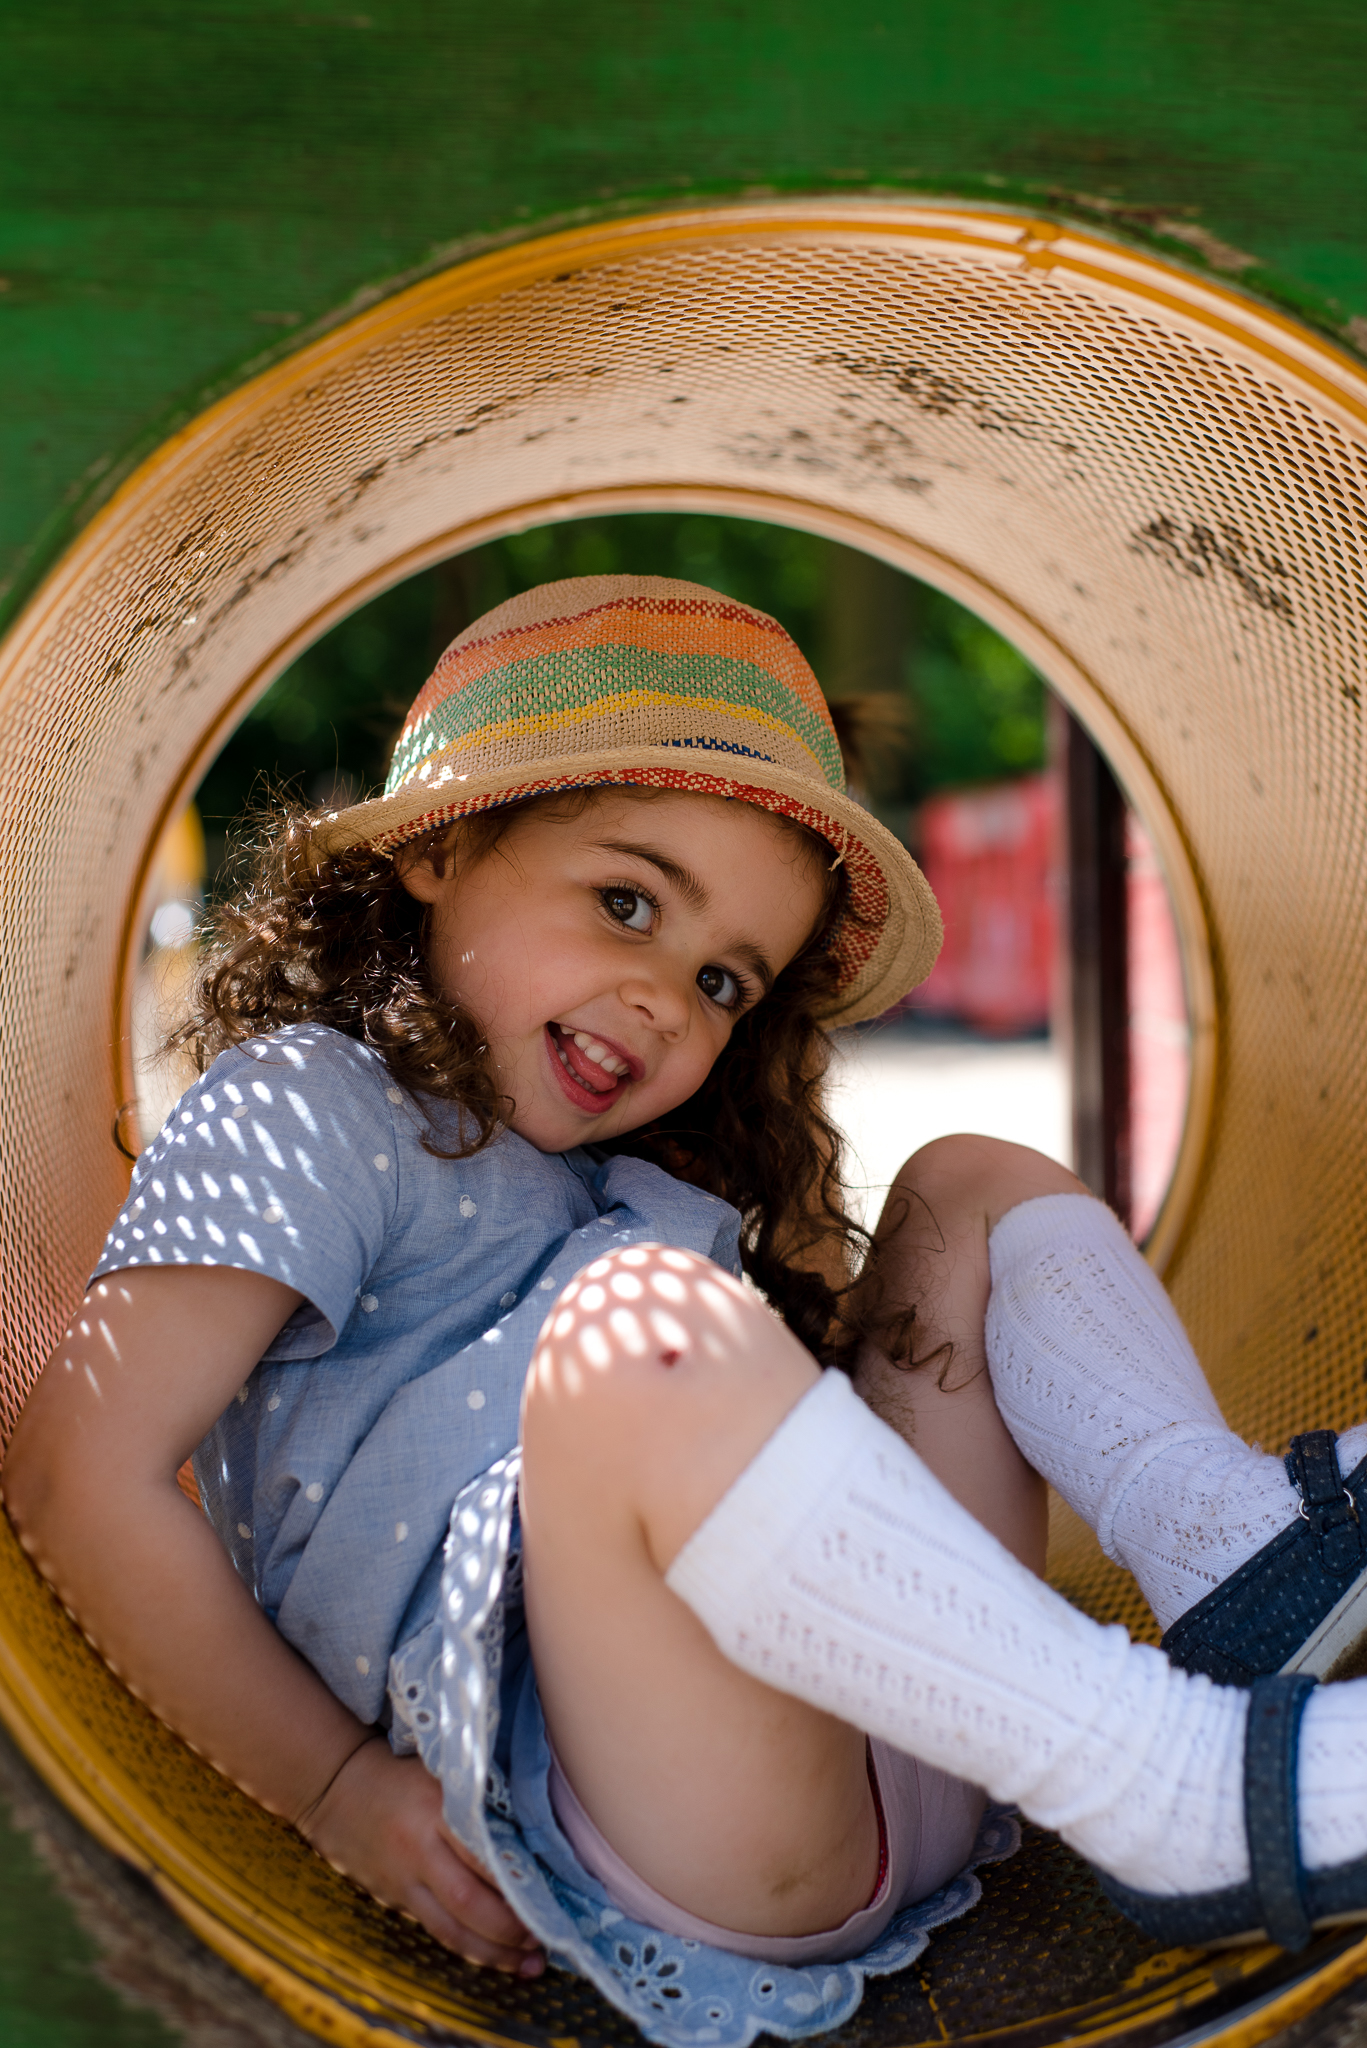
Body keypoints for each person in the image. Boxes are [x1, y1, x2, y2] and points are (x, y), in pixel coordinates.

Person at [7, 576, 1367, 2048]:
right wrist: (331, 1792)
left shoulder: (618, 1174)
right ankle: (1177, 1789)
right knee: (627, 1336)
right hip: (677, 1810)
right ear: (441, 845)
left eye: (724, 978)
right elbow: (80, 1471)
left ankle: (1228, 1552)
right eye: (626, 902)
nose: (665, 996)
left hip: (909, 1723)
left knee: (969, 1186)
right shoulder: (313, 1104)